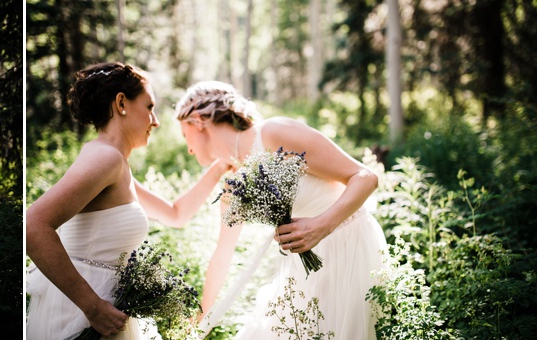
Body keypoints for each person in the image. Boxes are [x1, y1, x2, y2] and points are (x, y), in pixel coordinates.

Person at [142, 81, 385, 339]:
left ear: (199, 120)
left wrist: (321, 226)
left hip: (347, 246)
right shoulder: (233, 185)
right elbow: (222, 255)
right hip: (302, 267)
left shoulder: (273, 132)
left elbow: (365, 177)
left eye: (184, 135)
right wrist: (201, 322)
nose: (188, 148)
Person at [26, 62, 163, 339]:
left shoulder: (116, 162)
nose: (156, 120)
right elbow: (33, 225)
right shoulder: (105, 158)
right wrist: (93, 307)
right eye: (149, 107)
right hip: (81, 319)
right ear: (122, 103)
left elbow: (176, 213)